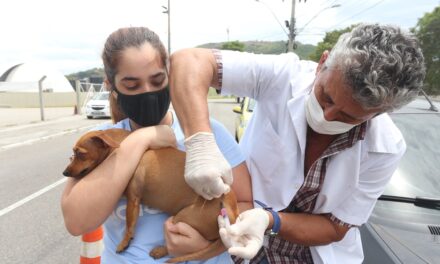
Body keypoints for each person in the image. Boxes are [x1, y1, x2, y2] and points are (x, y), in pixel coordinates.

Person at [168, 23, 426, 264]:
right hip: (240, 244)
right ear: (323, 63)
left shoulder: (386, 148)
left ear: (379, 113)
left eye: (348, 117)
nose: (327, 116)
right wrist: (200, 143)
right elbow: (189, 61)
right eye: (326, 97)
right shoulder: (282, 77)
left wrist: (270, 220)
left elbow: (336, 227)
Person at [61, 27, 253, 264]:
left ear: (170, 75)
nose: (148, 92)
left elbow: (243, 203)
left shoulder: (206, 134)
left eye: (157, 80)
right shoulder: (99, 143)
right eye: (132, 85)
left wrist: (208, 244)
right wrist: (142, 139)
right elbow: (77, 221)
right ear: (111, 85)